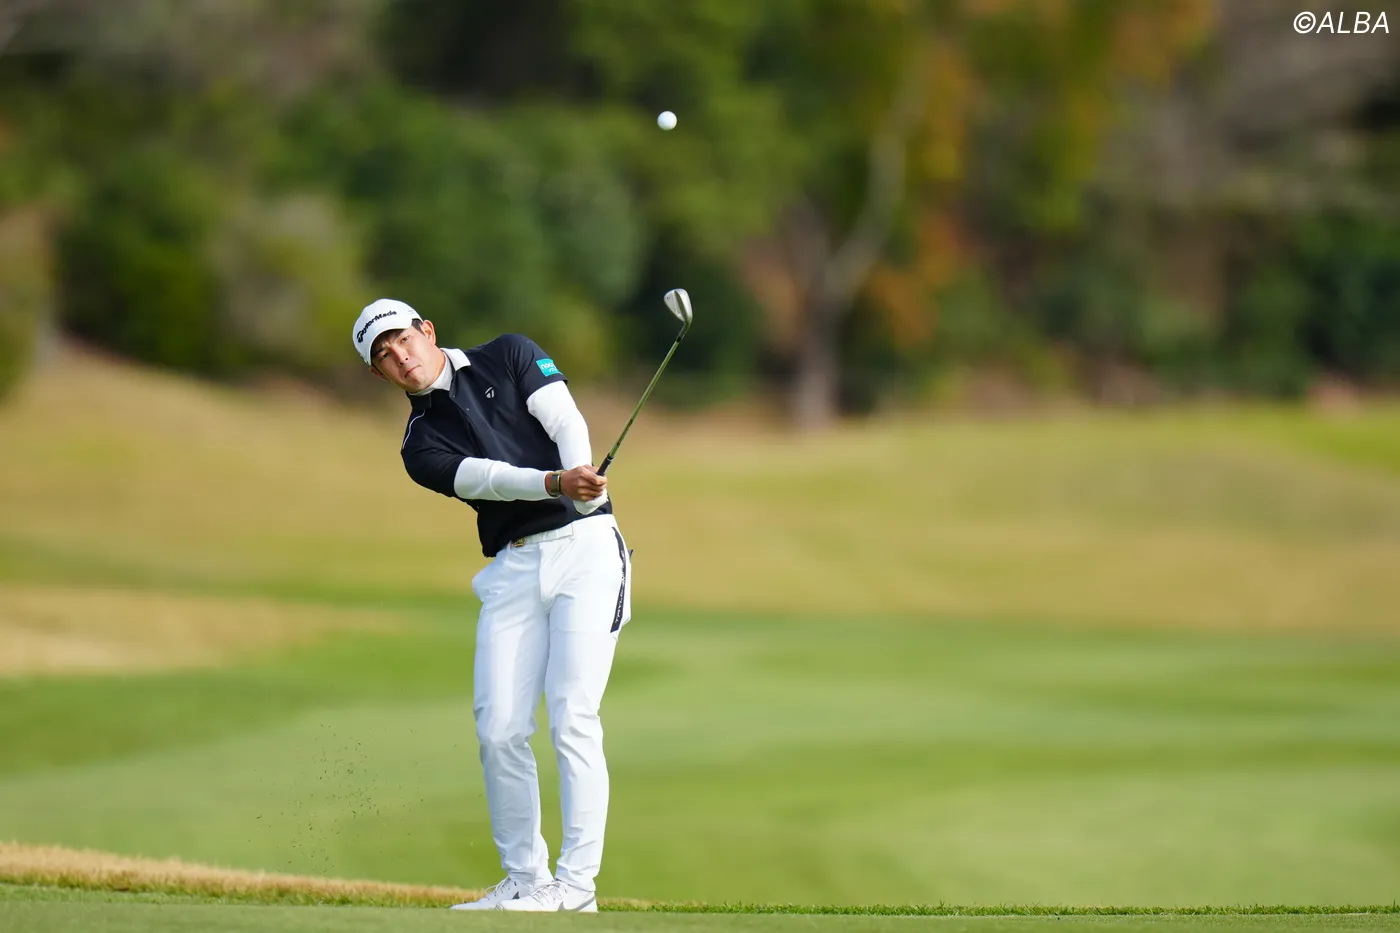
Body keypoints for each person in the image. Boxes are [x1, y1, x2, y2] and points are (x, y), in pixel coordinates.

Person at [351, 298, 632, 913]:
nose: (401, 357)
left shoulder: (508, 353)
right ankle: (526, 880)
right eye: (384, 356)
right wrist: (556, 483)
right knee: (499, 728)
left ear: (427, 331)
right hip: (513, 565)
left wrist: (579, 475)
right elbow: (487, 478)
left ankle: (575, 887)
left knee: (573, 715)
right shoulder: (419, 446)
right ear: (378, 374)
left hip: (586, 550)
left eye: (403, 340)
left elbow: (565, 417)